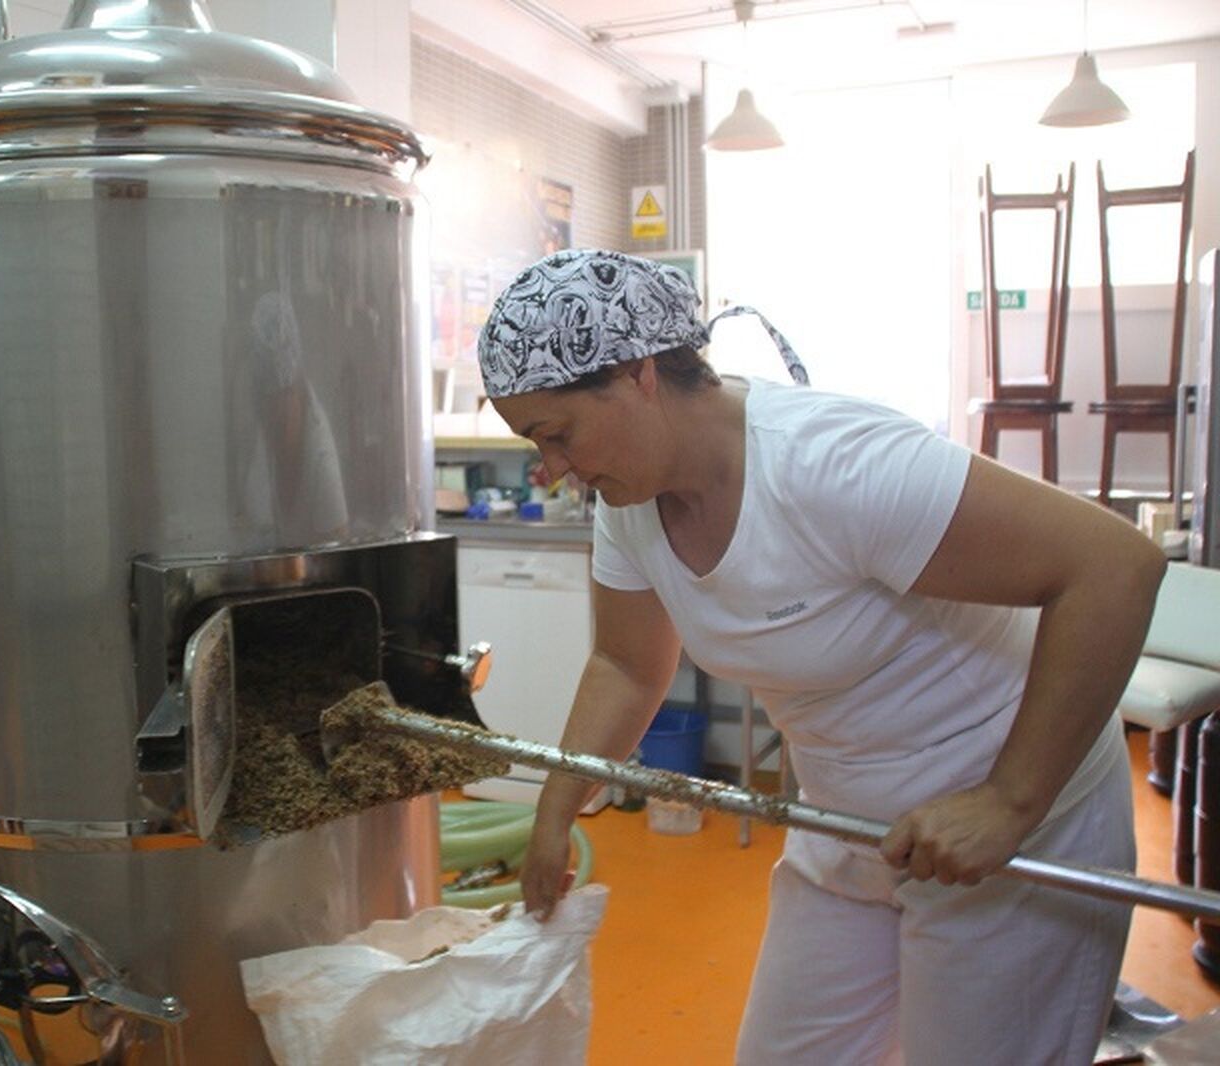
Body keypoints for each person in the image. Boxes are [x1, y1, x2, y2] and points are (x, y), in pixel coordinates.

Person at [476, 248, 1167, 1064]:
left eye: (556, 435)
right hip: (846, 822)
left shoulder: (831, 465)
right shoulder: (629, 500)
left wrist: (1010, 802)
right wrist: (556, 812)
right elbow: (627, 667)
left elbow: (1115, 566)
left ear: (635, 374)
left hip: (1008, 828)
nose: (553, 471)